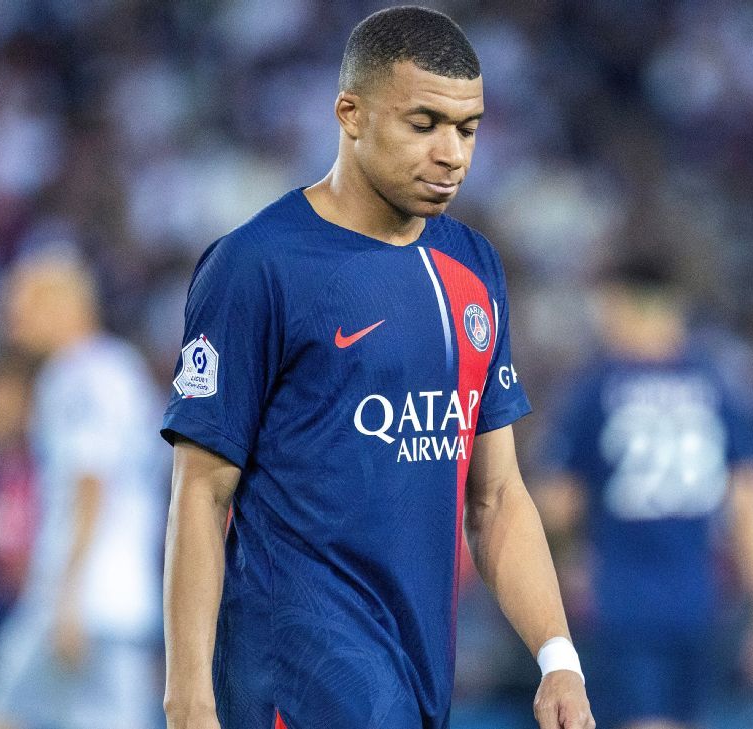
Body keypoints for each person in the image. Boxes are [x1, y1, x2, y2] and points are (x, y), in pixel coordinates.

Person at [159, 7, 592, 729]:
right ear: (350, 114)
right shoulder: (258, 265)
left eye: (468, 128)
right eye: (423, 124)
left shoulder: (473, 267)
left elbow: (495, 498)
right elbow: (201, 494)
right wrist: (188, 702)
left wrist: (558, 658)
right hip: (289, 682)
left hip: (418, 682)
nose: (451, 152)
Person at [536, 256, 753, 729]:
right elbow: (752, 502)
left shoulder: (598, 387)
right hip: (698, 601)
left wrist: (567, 559)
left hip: (623, 601)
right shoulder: (714, 385)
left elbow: (556, 505)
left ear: (621, 305)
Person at [0, 252, 165, 729]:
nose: (10, 322)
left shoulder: (78, 375)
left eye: (22, 306)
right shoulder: (121, 368)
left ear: (62, 305)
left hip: (82, 597)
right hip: (118, 599)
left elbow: (90, 481)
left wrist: (70, 596)